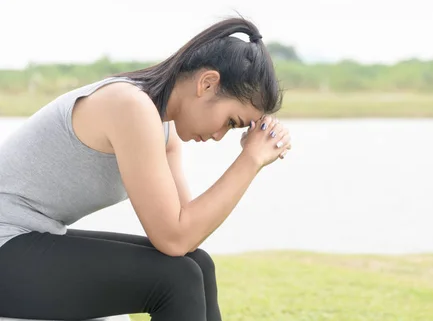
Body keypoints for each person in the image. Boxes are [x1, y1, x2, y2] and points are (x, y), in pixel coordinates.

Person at [0, 17, 291, 321]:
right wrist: (250, 160)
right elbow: (174, 237)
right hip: (7, 242)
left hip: (31, 238)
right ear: (207, 84)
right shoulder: (129, 105)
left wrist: (250, 156)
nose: (220, 136)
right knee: (176, 280)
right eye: (231, 121)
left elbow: (186, 236)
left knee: (198, 264)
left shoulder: (165, 131)